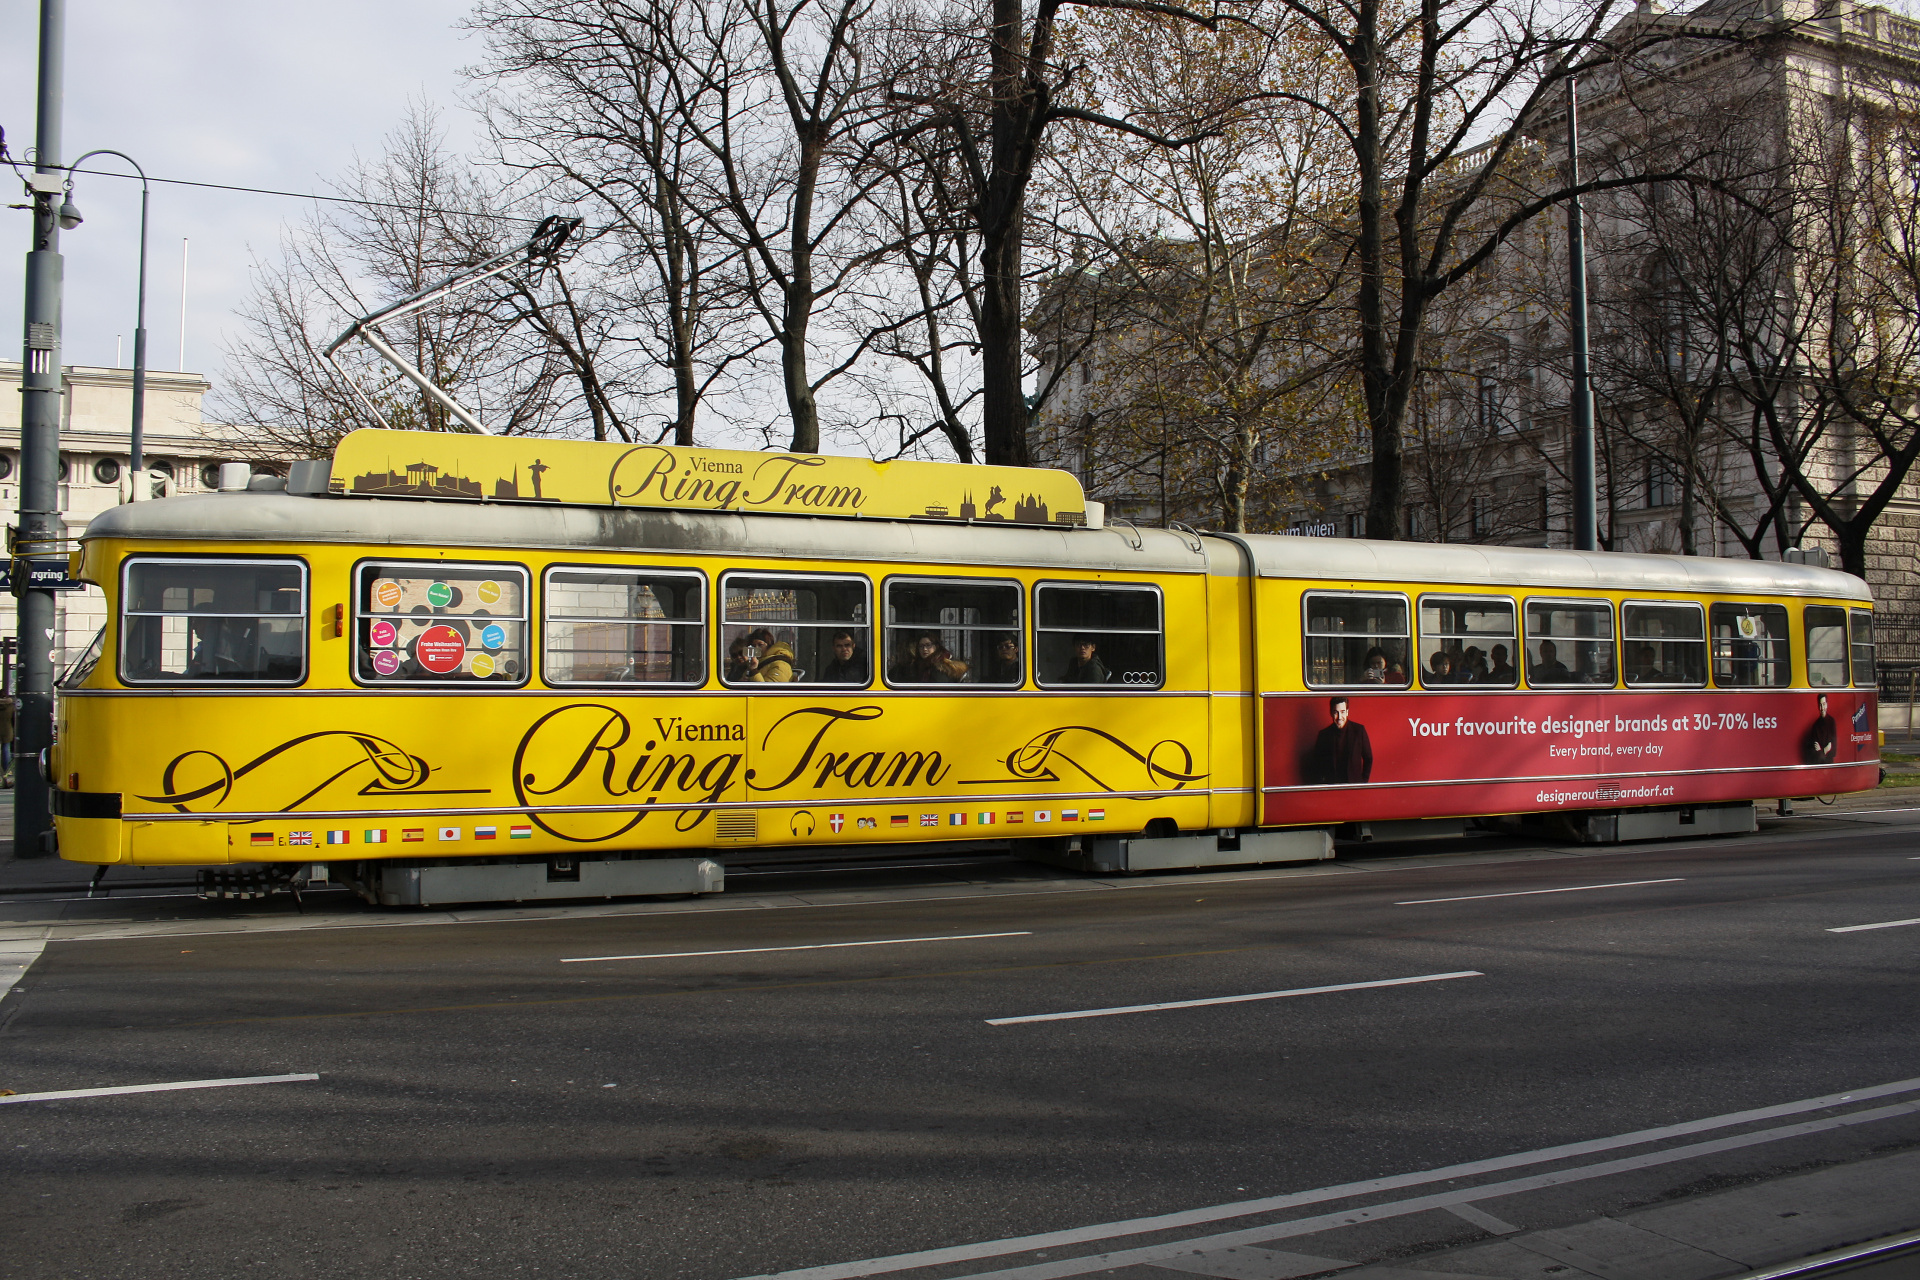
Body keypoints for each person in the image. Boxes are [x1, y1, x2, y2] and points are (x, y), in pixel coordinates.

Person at [1310, 696, 1374, 784]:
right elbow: (1316, 764)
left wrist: (1363, 782)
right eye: (1336, 712)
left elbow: (1368, 758)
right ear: (1331, 713)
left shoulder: (1359, 730)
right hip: (1332, 788)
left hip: (1354, 787)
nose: (1339, 717)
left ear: (1347, 712)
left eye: (1343, 712)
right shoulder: (1323, 735)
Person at [890, 632, 968, 683]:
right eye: (921, 646)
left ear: (936, 646)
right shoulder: (921, 665)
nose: (924, 649)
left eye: (928, 645)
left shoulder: (941, 667)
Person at [1807, 693, 1837, 765]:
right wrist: (1825, 750)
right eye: (1820, 705)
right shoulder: (1815, 726)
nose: (1822, 708)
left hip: (1829, 765)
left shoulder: (1832, 722)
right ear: (1818, 706)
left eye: (1824, 704)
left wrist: (1821, 750)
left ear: (1827, 704)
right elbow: (1814, 750)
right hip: (1818, 764)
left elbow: (1833, 749)